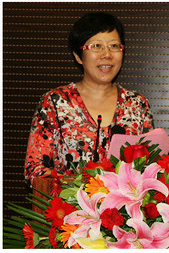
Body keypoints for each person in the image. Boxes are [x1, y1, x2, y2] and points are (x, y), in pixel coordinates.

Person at [24, 12, 154, 184]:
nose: (107, 54)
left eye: (114, 46)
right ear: (78, 56)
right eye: (96, 46)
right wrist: (85, 189)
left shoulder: (137, 104)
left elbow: (151, 168)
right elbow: (34, 171)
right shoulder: (54, 103)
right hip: (67, 201)